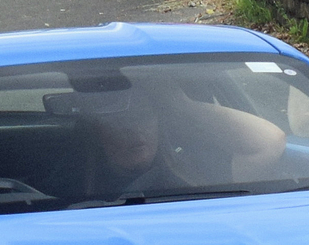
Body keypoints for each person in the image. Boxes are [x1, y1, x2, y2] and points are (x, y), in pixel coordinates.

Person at [89, 82, 287, 196]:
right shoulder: (69, 178)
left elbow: (269, 141)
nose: (134, 130)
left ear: (161, 122)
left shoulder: (198, 171)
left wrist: (179, 104)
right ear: (97, 129)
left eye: (144, 116)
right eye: (121, 121)